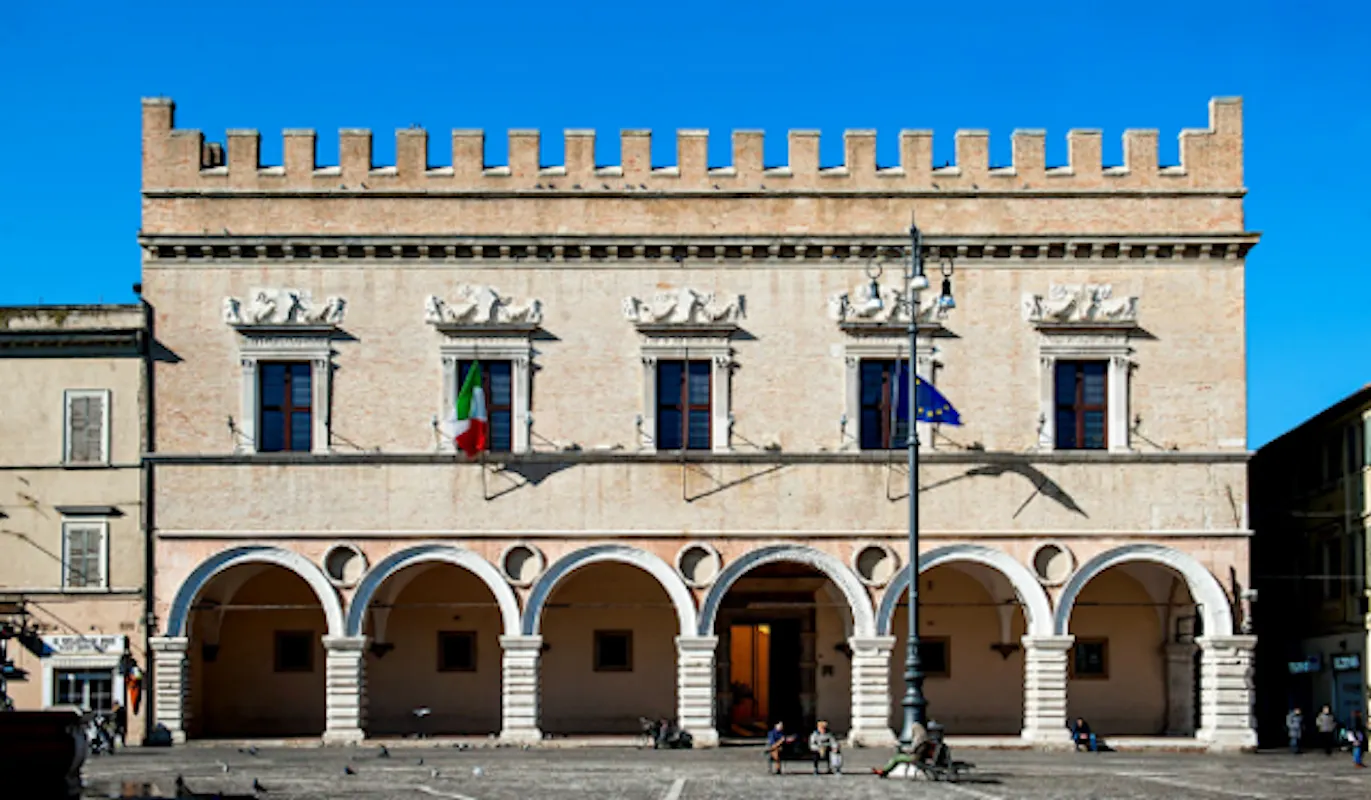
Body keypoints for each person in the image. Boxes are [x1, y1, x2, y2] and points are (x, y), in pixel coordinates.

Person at [871, 721, 936, 778]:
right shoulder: (925, 739)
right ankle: (884, 770)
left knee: (895, 759)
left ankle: (884, 771)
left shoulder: (919, 740)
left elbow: (912, 750)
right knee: (898, 758)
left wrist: (903, 749)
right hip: (919, 757)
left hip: (914, 758)